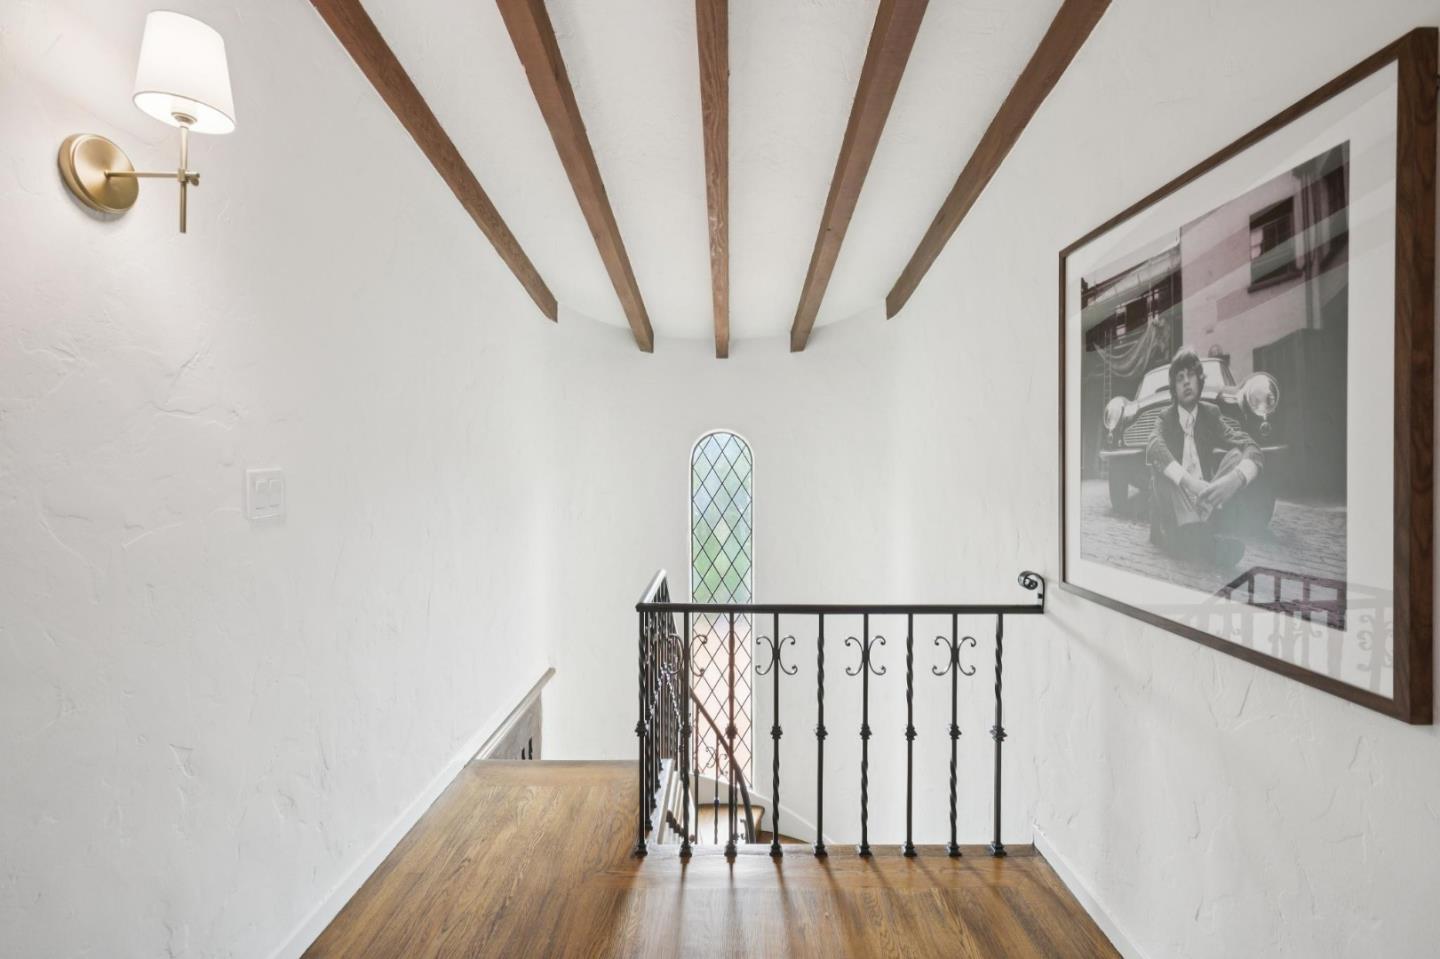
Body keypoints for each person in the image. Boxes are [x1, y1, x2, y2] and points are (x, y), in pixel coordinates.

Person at [1146, 346, 1263, 567]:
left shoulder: (1211, 414)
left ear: (1200, 381)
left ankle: (1195, 534)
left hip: (1205, 502)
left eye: (1191, 375)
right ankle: (1206, 544)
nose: (1186, 382)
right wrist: (1190, 483)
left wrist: (1235, 478)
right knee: (1163, 466)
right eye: (1180, 378)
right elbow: (1153, 446)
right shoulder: (1164, 417)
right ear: (1174, 388)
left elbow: (1250, 445)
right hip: (1174, 503)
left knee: (1237, 455)